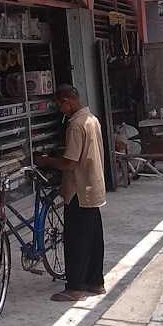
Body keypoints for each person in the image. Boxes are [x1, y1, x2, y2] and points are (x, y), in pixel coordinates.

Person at [35, 84, 106, 303]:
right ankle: (96, 282)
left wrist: (46, 161)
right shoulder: (92, 119)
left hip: (79, 191)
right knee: (94, 238)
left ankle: (75, 288)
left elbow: (69, 162)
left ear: (68, 101)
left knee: (75, 240)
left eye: (60, 105)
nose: (61, 110)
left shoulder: (75, 125)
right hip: (94, 187)